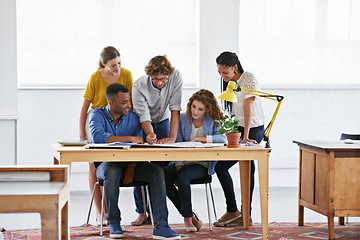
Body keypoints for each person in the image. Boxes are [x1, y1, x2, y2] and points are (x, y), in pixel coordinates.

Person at [89, 83, 180, 239]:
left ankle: (161, 226)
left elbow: (139, 145)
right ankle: (114, 222)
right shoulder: (97, 115)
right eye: (124, 102)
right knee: (111, 170)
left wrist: (131, 166)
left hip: (133, 164)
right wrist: (130, 138)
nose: (129, 105)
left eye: (129, 101)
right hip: (106, 166)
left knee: (157, 172)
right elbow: (98, 138)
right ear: (111, 103)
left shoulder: (133, 117)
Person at [79, 46, 134, 225]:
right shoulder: (95, 77)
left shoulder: (126, 74)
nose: (117, 68)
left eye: (119, 63)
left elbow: (129, 102)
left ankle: (114, 211)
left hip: (118, 120)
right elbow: (85, 107)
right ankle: (100, 211)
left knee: (111, 163)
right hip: (97, 121)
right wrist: (82, 134)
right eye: (113, 65)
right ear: (103, 64)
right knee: (94, 167)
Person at [214, 51, 265, 227]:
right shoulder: (229, 82)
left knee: (247, 169)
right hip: (238, 128)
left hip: (253, 129)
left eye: (225, 73)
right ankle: (233, 210)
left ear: (235, 67)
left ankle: (246, 214)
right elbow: (233, 110)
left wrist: (245, 137)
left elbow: (247, 107)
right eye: (219, 73)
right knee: (220, 167)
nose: (222, 76)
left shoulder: (248, 78)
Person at [164, 89, 226, 232]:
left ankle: (187, 219)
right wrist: (178, 165)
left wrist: (201, 139)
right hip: (183, 162)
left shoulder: (214, 120)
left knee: (182, 175)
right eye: (193, 106)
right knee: (161, 175)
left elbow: (222, 139)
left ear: (207, 109)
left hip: (202, 164)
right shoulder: (181, 118)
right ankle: (190, 215)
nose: (195, 111)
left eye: (200, 109)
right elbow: (178, 143)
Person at [131, 55, 182, 225]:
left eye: (163, 79)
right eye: (156, 79)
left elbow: (175, 108)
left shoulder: (175, 77)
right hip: (142, 123)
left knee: (159, 169)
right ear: (150, 76)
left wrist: (172, 138)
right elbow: (143, 116)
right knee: (140, 165)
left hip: (163, 121)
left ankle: (156, 212)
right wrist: (150, 135)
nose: (160, 82)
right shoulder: (139, 86)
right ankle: (141, 212)